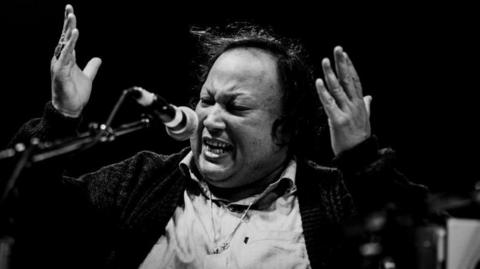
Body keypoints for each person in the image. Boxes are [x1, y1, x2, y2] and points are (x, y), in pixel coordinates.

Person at [6, 4, 429, 269]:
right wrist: (62, 116)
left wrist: (360, 157)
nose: (210, 118)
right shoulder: (143, 180)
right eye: (207, 100)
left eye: (237, 107)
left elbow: (431, 235)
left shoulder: (332, 197)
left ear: (286, 128)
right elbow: (31, 210)